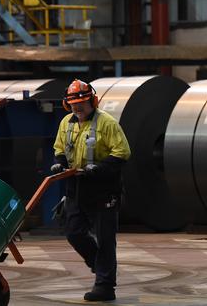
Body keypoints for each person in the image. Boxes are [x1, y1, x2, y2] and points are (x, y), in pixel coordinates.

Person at [52, 79, 131, 302]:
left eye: (81, 103)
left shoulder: (107, 123)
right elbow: (59, 147)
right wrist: (59, 162)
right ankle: (99, 265)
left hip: (103, 190)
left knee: (106, 238)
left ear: (93, 101)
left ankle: (105, 286)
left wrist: (100, 168)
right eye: (73, 104)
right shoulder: (66, 123)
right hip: (76, 188)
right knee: (73, 232)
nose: (77, 108)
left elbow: (122, 153)